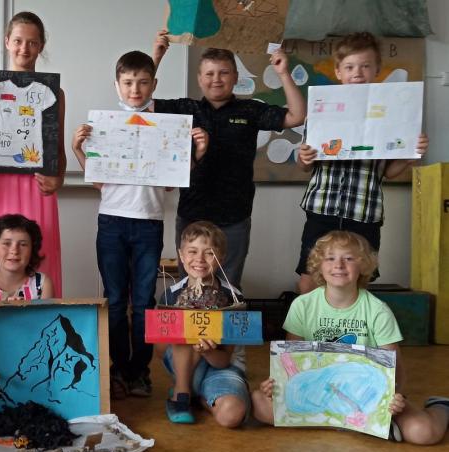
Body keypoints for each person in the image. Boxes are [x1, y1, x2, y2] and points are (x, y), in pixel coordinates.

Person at [71, 46, 208, 400]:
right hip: (112, 222)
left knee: (144, 301)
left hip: (148, 223)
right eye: (129, 82)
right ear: (117, 85)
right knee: (116, 300)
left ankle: (139, 372)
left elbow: (170, 182)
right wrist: (78, 150)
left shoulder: (165, 127)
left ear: (154, 85)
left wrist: (196, 155)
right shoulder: (104, 127)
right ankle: (119, 369)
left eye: (143, 82)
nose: (135, 89)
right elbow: (99, 182)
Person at [252, 231, 449, 444]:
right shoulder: (302, 305)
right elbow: (291, 361)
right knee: (259, 404)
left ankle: (441, 406)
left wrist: (394, 398)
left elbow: (396, 369)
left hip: (368, 396)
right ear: (319, 265)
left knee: (423, 433)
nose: (338, 265)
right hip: (319, 393)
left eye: (348, 258)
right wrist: (276, 386)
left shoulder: (377, 310)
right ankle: (355, 425)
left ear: (363, 265)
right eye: (330, 258)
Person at [153, 31, 307, 289]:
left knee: (228, 289)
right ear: (199, 79)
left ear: (235, 77)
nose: (216, 79)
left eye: (224, 73)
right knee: (189, 287)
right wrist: (157, 57)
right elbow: (141, 104)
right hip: (192, 215)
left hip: (234, 216)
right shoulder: (186, 109)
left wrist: (283, 73)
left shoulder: (251, 110)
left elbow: (297, 116)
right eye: (209, 74)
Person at [294, 32, 429, 294]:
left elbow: (389, 172)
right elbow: (306, 165)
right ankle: (307, 322)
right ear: (338, 71)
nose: (357, 73)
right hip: (322, 208)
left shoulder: (391, 114)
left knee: (358, 279)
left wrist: (410, 154)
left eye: (365, 66)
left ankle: (353, 322)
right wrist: (304, 157)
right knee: (310, 275)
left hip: (364, 210)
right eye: (350, 67)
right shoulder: (322, 111)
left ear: (377, 69)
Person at [0, 11, 66, 296]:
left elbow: (57, 146)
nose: (24, 48)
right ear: (7, 42)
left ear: (41, 46)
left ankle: (43, 318)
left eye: (32, 42)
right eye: (18, 41)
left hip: (39, 184)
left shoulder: (54, 92)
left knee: (39, 252)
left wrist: (59, 178)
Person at [159, 221, 248, 427]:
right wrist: (186, 333)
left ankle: (198, 397)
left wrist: (207, 351)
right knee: (186, 321)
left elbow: (224, 360)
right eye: (192, 251)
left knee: (232, 416)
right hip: (184, 368)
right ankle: (181, 393)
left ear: (221, 258)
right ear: (181, 255)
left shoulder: (234, 298)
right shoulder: (170, 296)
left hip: (222, 368)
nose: (199, 259)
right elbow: (160, 350)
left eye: (209, 253)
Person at [0, 213, 53, 301]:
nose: (14, 251)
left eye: (23, 244)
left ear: (32, 250)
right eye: (7, 244)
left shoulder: (43, 284)